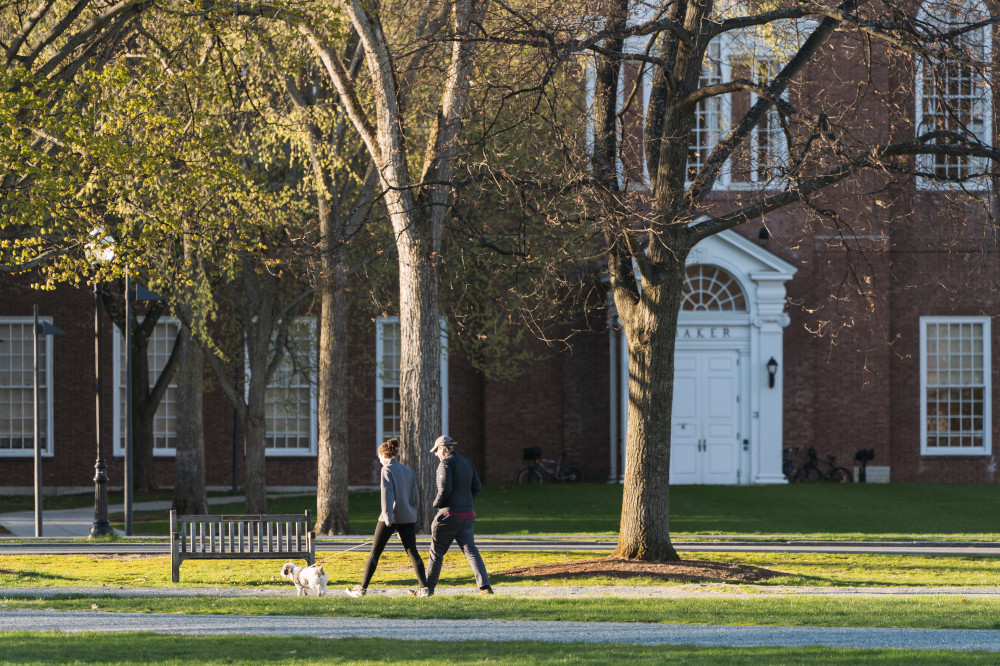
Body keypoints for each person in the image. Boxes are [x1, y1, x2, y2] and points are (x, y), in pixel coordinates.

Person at [346, 438, 427, 597]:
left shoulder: (386, 470)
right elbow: (416, 497)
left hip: (389, 518)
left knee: (375, 553)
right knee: (413, 553)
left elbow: (387, 496)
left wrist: (389, 520)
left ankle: (362, 588)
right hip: (408, 518)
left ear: (383, 454)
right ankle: (424, 588)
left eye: (379, 457)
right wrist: (412, 514)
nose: (379, 460)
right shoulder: (408, 471)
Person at [419, 435, 493, 596]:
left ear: (443, 449)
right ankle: (485, 587)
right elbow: (477, 487)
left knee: (436, 553)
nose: (436, 454)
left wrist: (436, 504)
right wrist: (466, 501)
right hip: (467, 514)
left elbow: (444, 489)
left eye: (437, 450)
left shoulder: (445, 464)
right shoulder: (467, 463)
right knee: (471, 550)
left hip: (449, 514)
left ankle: (427, 589)